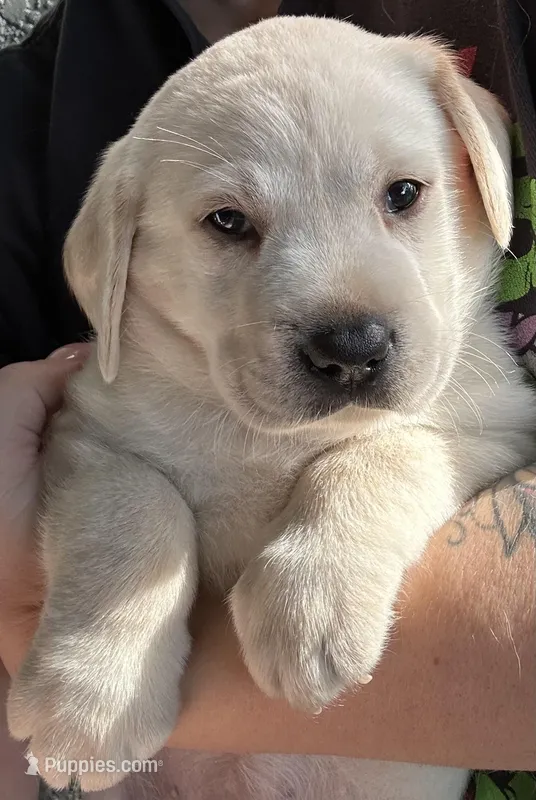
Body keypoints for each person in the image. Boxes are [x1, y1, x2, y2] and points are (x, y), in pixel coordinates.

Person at [0, 2, 534, 799]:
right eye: (229, 221)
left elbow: (486, 446)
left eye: (402, 196)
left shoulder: (465, 378)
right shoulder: (40, 103)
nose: (347, 329)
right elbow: (91, 450)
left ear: (475, 169)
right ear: (123, 253)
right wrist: (110, 603)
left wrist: (367, 496)